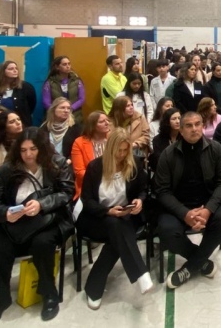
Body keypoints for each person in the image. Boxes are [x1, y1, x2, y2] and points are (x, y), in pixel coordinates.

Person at [0, 132, 75, 325]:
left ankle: (48, 291)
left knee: (43, 243)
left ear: (42, 148)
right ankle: (1, 295)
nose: (29, 155)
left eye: (33, 149)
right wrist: (6, 212)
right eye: (23, 150)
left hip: (48, 219)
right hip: (14, 221)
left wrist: (42, 204)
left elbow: (67, 193)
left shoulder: (57, 164)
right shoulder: (8, 169)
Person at [154, 112, 221, 289]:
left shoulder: (216, 149)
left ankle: (190, 267)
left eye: (198, 124)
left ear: (202, 126)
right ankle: (201, 261)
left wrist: (208, 209)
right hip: (178, 205)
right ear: (180, 130)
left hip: (208, 201)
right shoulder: (168, 154)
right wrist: (184, 213)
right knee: (166, 230)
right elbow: (162, 191)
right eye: (188, 126)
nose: (194, 129)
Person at [76, 129, 153, 309]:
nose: (121, 154)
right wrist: (108, 211)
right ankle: (141, 273)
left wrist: (139, 201)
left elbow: (143, 190)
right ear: (109, 148)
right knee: (115, 225)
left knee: (117, 233)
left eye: (125, 150)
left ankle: (93, 287)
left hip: (126, 216)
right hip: (96, 217)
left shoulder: (133, 164)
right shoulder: (95, 167)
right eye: (118, 150)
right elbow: (86, 200)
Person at [0, 60, 37, 127]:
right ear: (2, 72)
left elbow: (31, 105)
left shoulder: (26, 87)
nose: (15, 70)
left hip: (21, 126)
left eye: (16, 68)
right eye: (11, 69)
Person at [71, 111, 112, 199]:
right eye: (102, 122)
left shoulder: (113, 139)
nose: (107, 123)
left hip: (114, 183)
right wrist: (100, 180)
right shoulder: (79, 142)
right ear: (92, 126)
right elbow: (79, 172)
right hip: (89, 187)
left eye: (107, 120)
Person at [0, 112, 25, 182]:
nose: (18, 123)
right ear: (3, 127)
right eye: (12, 122)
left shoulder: (29, 143)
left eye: (18, 119)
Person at [149, 108, 181, 172]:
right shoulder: (158, 139)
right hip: (164, 172)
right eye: (174, 119)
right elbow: (160, 160)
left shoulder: (184, 137)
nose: (178, 121)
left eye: (179, 118)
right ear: (167, 121)